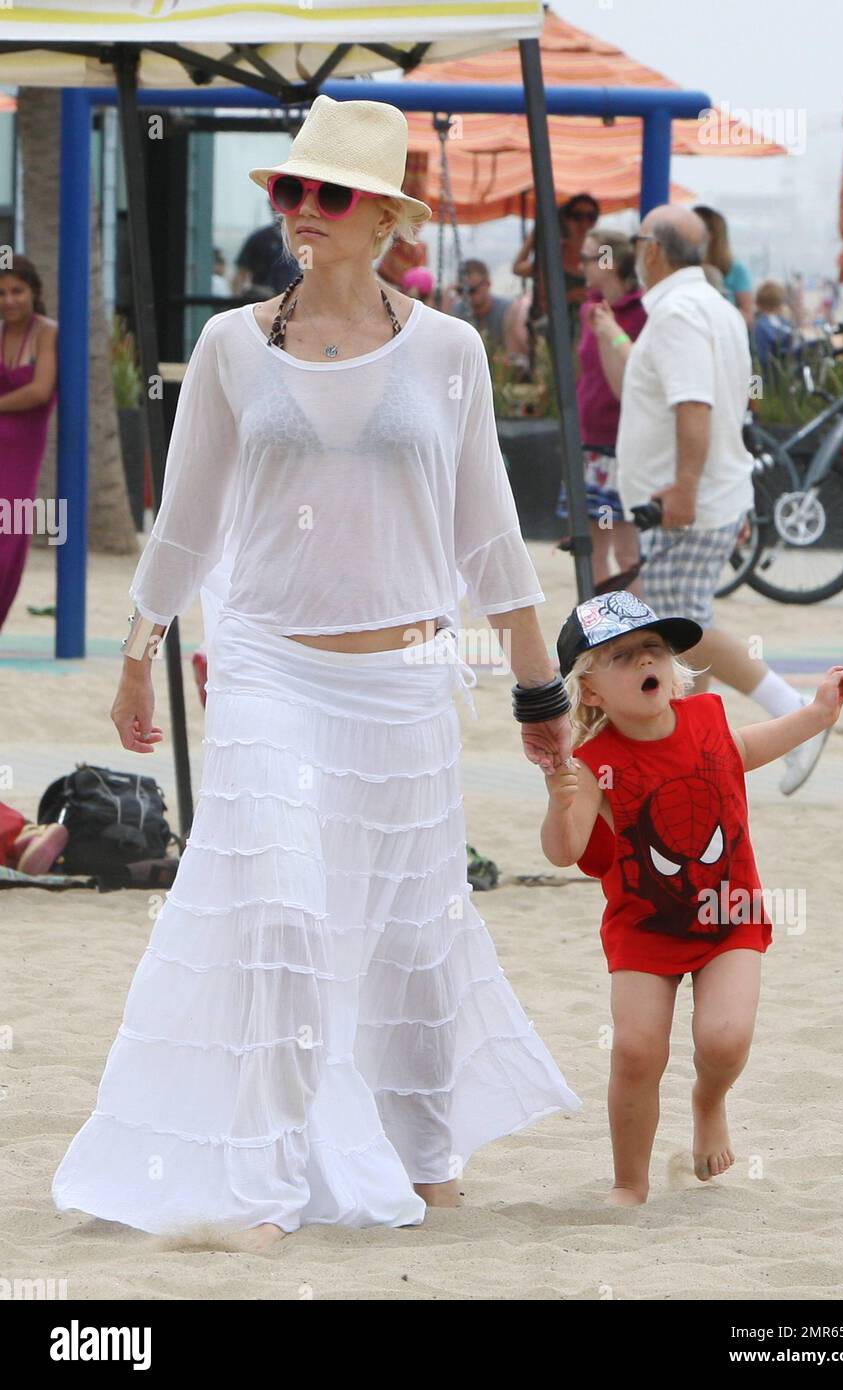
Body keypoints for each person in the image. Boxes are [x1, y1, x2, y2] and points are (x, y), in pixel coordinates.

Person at [51, 95, 581, 1251]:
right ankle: (262, 1172)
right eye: (289, 189)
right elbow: (184, 525)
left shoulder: (448, 351)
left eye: (328, 193)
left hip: (405, 682)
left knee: (407, 937)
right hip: (267, 674)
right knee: (278, 914)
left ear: (388, 216)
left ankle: (425, 1155)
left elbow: (489, 538)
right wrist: (139, 656)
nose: (302, 209)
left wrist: (541, 701)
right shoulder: (236, 348)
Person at [540, 590, 843, 1204]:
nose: (644, 661)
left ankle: (708, 1103)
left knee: (724, 1038)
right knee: (635, 1051)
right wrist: (560, 799)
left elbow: (746, 750)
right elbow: (564, 850)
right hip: (644, 925)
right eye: (621, 655)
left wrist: (817, 714)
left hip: (728, 913)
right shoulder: (590, 763)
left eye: (652, 648)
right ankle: (629, 1182)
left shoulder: (708, 718)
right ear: (592, 690)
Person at [616, 203, 832, 796]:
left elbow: (694, 404)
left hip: (687, 502)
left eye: (636, 243)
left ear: (653, 250)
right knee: (678, 633)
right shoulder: (710, 305)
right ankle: (690, 755)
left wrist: (683, 487)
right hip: (699, 497)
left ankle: (795, 715)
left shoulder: (681, 311)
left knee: (683, 629)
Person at [554, 228, 646, 586]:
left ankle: (638, 632)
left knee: (627, 552)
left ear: (610, 262)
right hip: (589, 439)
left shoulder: (641, 311)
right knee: (591, 548)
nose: (582, 265)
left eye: (590, 258)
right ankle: (602, 632)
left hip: (623, 441)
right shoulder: (590, 308)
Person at [0, 255, 59, 632]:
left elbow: (39, 391)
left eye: (17, 291)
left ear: (33, 292)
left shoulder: (47, 333)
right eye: (1, 293)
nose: (9, 300)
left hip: (20, 453)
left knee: (10, 537)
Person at [513, 193, 598, 347]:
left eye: (590, 216)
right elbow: (518, 268)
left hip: (594, 331)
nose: (584, 223)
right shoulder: (554, 252)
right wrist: (535, 236)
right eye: (577, 216)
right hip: (559, 337)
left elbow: (610, 286)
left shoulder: (605, 250)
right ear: (566, 219)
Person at [693, 205, 753, 329]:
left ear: (711, 235)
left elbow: (748, 315)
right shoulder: (685, 265)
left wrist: (721, 315)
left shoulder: (736, 269)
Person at [231, 200, 300, 296]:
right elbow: (240, 274)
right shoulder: (259, 239)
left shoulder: (305, 239)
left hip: (295, 300)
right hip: (264, 300)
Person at [449, 259, 511, 350]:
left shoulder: (507, 312)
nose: (467, 297)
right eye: (461, 291)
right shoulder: (457, 313)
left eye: (472, 290)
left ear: (488, 284)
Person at [752, 280, 794, 375]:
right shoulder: (785, 323)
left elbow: (761, 356)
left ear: (758, 303)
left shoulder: (760, 325)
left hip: (770, 375)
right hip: (783, 373)